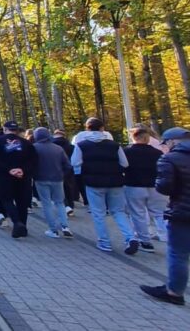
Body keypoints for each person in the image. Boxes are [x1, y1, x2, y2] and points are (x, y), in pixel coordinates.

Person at [71, 117, 138, 254]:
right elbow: (125, 163)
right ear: (102, 128)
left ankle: (104, 241)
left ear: (87, 129)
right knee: (118, 211)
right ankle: (130, 237)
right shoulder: (114, 145)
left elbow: (74, 162)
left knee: (98, 213)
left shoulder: (82, 145)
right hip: (115, 181)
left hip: (93, 182)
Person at [140, 127, 190, 306]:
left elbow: (165, 187)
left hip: (182, 212)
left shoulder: (170, 159)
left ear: (171, 142)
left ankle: (174, 291)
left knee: (178, 254)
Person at [0, 121, 39, 238]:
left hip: (5, 176)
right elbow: (34, 160)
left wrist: (9, 170)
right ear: (17, 130)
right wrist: (23, 170)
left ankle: (17, 222)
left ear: (4, 129)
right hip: (23, 177)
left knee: (6, 199)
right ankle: (23, 226)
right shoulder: (26, 143)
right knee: (22, 202)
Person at [124, 127, 164, 253]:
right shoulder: (158, 153)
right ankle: (166, 235)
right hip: (155, 186)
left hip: (134, 186)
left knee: (138, 214)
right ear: (147, 138)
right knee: (160, 213)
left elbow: (123, 168)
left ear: (133, 138)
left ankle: (145, 241)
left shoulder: (127, 152)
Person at [31, 127, 74, 238]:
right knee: (60, 202)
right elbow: (68, 165)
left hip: (41, 178)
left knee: (46, 204)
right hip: (58, 179)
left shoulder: (34, 148)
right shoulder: (58, 149)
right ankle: (65, 226)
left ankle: (53, 229)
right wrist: (62, 174)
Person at [52, 129, 81, 216]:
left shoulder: (52, 145)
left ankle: (65, 205)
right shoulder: (71, 146)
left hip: (55, 169)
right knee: (69, 188)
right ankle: (70, 205)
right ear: (64, 136)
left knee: (58, 190)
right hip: (68, 169)